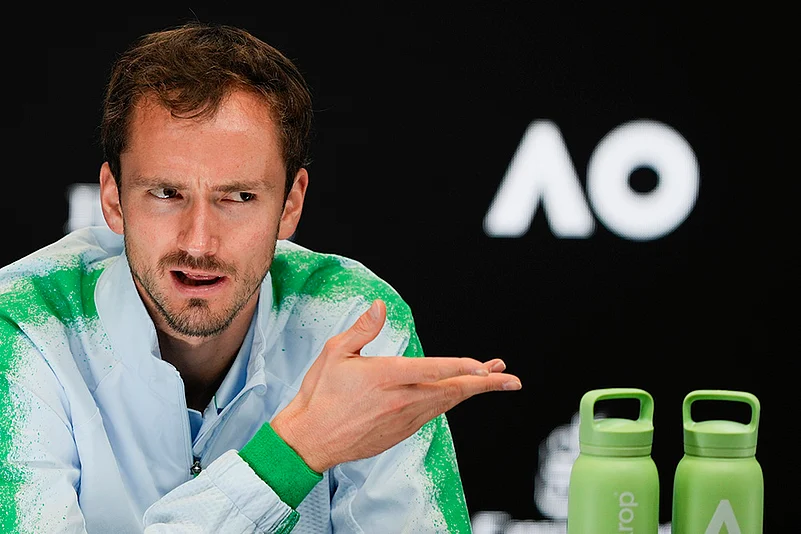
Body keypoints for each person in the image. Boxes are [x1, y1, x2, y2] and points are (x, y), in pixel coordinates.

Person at [0, 21, 521, 534]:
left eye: (239, 197)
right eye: (166, 193)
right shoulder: (24, 326)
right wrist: (295, 452)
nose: (198, 242)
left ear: (291, 204)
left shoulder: (353, 319)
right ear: (113, 199)